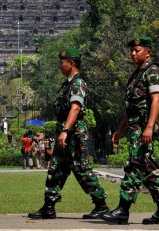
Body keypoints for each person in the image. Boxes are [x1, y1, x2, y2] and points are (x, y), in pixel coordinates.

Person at [28, 48, 109, 220]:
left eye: (62, 62)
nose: (59, 65)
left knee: (82, 169)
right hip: (65, 133)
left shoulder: (78, 83)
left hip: (74, 134)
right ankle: (48, 206)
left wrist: (65, 130)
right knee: (56, 169)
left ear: (71, 63)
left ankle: (101, 205)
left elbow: (75, 108)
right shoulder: (68, 84)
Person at [100, 36, 159, 225]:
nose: (133, 53)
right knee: (149, 169)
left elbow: (156, 99)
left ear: (148, 52)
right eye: (131, 51)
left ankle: (123, 210)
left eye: (137, 50)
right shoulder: (136, 75)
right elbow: (131, 108)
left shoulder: (152, 71)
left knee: (134, 165)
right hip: (134, 128)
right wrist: (120, 129)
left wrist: (149, 127)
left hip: (142, 129)